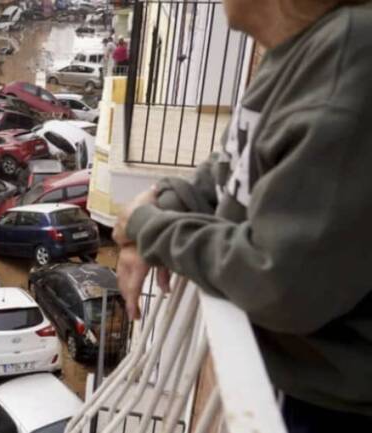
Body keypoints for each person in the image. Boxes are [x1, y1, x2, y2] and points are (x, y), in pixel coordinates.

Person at [112, 0, 372, 432]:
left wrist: (147, 227)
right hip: (299, 386)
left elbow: (281, 283)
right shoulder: (290, 50)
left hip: (336, 410)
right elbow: (229, 169)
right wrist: (160, 205)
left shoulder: (350, 54)